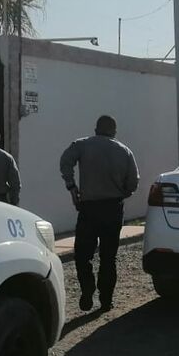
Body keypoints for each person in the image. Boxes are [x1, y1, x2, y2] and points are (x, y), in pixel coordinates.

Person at [59, 115, 140, 312]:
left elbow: (65, 161)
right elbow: (133, 182)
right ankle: (106, 300)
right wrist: (122, 192)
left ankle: (87, 288)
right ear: (114, 131)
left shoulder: (82, 145)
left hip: (89, 208)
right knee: (108, 256)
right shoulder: (125, 151)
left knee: (82, 254)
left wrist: (72, 187)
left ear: (96, 129)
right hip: (113, 208)